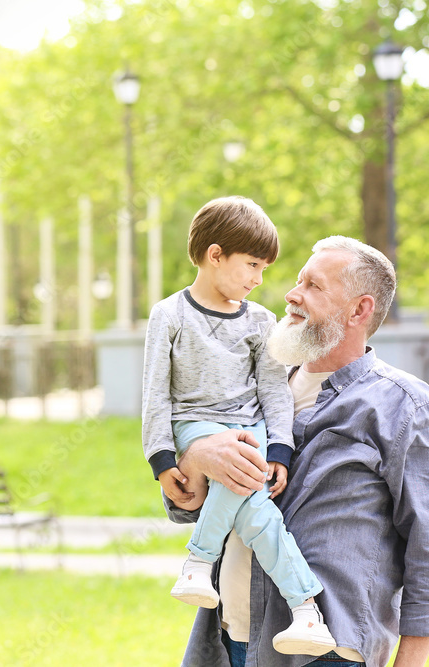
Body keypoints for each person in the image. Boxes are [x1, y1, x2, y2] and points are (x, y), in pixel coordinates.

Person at [166, 236, 429, 667]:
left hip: (327, 651)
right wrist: (196, 460)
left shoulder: (403, 405)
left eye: (314, 286)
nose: (291, 294)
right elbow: (187, 506)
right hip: (227, 641)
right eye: (299, 280)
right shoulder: (254, 388)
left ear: (359, 310)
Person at [142, 196, 336, 657]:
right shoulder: (169, 316)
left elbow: (274, 392)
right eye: (251, 264)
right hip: (193, 425)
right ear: (215, 256)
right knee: (247, 491)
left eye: (264, 269)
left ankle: (198, 561)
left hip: (250, 429)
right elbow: (155, 394)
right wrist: (163, 459)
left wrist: (279, 451)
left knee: (253, 505)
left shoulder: (260, 321)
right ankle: (305, 606)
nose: (258, 279)